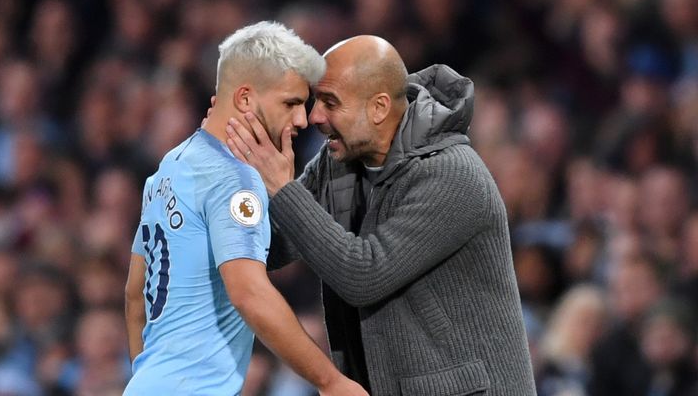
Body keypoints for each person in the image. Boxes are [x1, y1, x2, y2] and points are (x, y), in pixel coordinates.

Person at [226, 35, 537, 395]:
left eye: (330, 102)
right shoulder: (340, 161)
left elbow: (363, 274)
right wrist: (228, 195)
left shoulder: (452, 174)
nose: (314, 117)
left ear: (378, 108)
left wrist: (281, 188)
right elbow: (274, 240)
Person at [123, 22, 366, 396]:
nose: (303, 120)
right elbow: (249, 293)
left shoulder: (169, 167)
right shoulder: (234, 179)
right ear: (245, 99)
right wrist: (330, 381)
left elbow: (134, 294)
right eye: (291, 103)